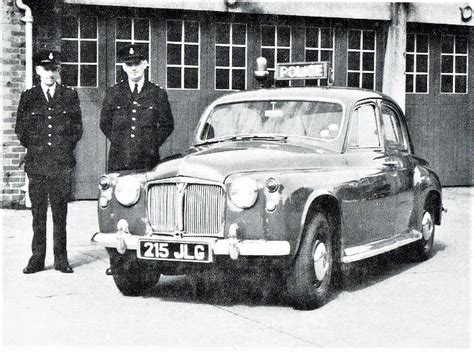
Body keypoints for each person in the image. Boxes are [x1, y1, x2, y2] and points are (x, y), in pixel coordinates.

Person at [15, 49, 83, 274]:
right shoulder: (29, 96)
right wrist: (38, 148)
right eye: (45, 69)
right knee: (38, 213)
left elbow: (76, 129)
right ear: (37, 71)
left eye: (54, 69)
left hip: (61, 164)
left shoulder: (69, 95)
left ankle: (61, 258)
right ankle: (37, 257)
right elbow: (21, 130)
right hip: (37, 164)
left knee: (60, 213)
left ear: (58, 71)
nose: (50, 74)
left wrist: (61, 151)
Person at [100, 44, 174, 172]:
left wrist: (151, 144)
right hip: (119, 159)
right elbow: (104, 123)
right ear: (123, 67)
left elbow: (167, 125)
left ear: (145, 64)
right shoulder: (114, 92)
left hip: (147, 159)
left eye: (137, 63)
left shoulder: (157, 93)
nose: (134, 68)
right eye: (129, 64)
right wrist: (121, 142)